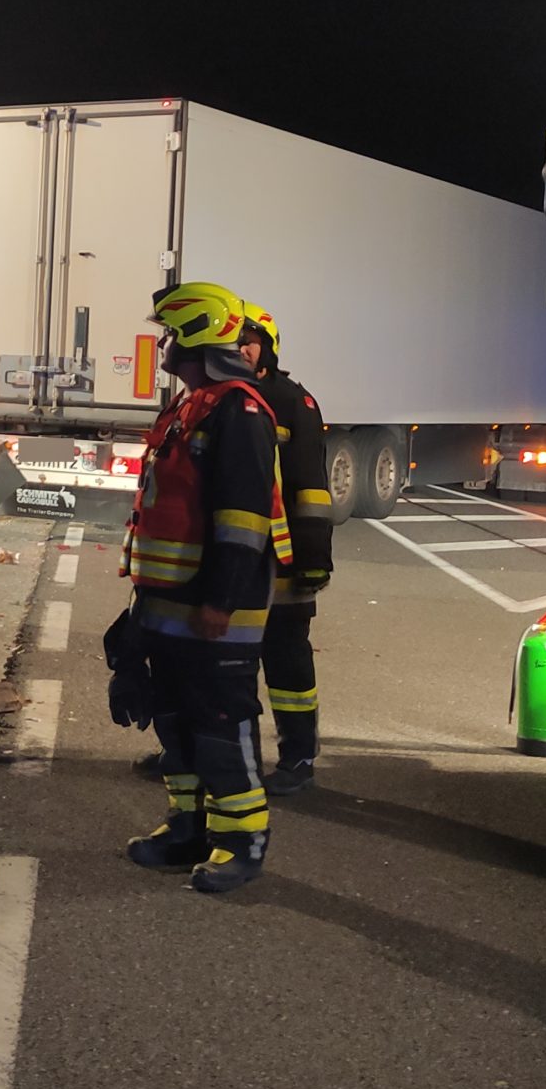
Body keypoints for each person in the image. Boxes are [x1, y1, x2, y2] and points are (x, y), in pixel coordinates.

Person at [104, 281, 290, 894]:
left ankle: (241, 842)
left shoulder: (239, 412)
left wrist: (220, 602)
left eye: (170, 333)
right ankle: (187, 829)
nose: (162, 345)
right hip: (167, 604)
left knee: (219, 726)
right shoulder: (191, 406)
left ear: (197, 336)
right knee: (175, 722)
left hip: (214, 611)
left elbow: (243, 520)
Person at [237, 303, 333, 792]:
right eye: (235, 341)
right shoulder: (223, 397)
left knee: (287, 662)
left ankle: (298, 758)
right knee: (228, 668)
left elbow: (310, 486)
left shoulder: (293, 402)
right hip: (235, 559)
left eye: (250, 341)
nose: (241, 349)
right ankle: (233, 759)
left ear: (268, 348)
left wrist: (312, 559)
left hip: (283, 560)